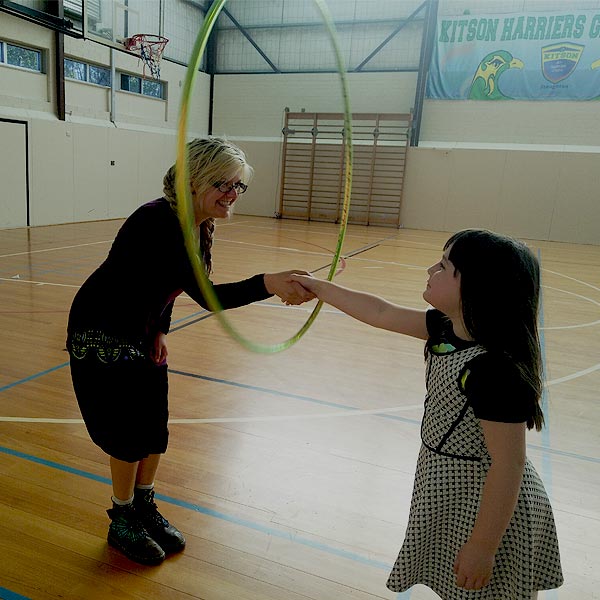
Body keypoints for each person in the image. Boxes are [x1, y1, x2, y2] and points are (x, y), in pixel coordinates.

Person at [67, 137, 314, 566]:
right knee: (127, 432)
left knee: (153, 424)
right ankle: (121, 518)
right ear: (194, 181)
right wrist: (268, 283)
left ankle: (144, 505)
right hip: (103, 331)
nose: (232, 194)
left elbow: (165, 284)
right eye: (224, 184)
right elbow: (206, 295)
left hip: (141, 331)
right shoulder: (158, 221)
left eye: (239, 186)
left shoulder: (197, 224)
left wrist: (160, 329)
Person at [289, 229, 563, 600]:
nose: (430, 269)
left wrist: (483, 547)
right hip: (449, 488)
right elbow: (380, 312)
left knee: (491, 589)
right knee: (459, 588)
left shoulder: (494, 372)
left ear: (477, 287)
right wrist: (319, 287)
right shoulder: (445, 330)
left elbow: (508, 465)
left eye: (444, 265)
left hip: (486, 505)